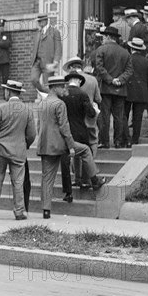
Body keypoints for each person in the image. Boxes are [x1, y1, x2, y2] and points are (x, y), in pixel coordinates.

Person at [37, 76, 105, 219]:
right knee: (86, 150)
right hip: (60, 144)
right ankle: (94, 179)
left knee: (47, 178)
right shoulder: (59, 104)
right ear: (55, 88)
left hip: (45, 145)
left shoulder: (42, 103)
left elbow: (39, 127)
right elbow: (64, 127)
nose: (64, 89)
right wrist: (71, 146)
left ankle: (46, 210)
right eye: (62, 87)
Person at [0, 80, 35, 220]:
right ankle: (19, 211)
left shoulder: (1, 108)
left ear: (8, 91)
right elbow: (32, 134)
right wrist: (25, 145)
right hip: (18, 151)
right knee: (18, 182)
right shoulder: (27, 110)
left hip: (0, 149)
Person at [63, 56, 101, 187]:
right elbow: (95, 104)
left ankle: (77, 178)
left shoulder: (64, 93)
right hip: (84, 125)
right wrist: (94, 110)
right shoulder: (89, 84)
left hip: (69, 127)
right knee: (88, 150)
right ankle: (88, 178)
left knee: (76, 154)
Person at [58, 72, 96, 203]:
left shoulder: (63, 95)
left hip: (67, 131)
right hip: (80, 129)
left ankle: (73, 183)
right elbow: (90, 114)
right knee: (86, 152)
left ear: (69, 81)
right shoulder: (82, 95)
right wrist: (94, 108)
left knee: (68, 159)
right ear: (79, 81)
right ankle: (86, 180)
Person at [95, 26, 133, 148]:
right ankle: (118, 141)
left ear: (108, 37)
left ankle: (104, 141)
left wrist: (110, 80)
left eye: (104, 37)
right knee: (119, 117)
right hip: (120, 89)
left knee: (104, 117)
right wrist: (119, 80)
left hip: (105, 89)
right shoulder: (125, 52)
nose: (102, 39)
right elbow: (129, 70)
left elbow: (99, 68)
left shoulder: (101, 50)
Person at [122, 38, 148, 146]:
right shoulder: (147, 61)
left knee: (124, 115)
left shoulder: (127, 59)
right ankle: (135, 140)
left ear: (131, 48)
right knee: (137, 118)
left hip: (127, 91)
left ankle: (127, 138)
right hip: (142, 92)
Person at [31, 13, 62, 94]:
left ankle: (49, 98)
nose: (38, 23)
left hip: (48, 62)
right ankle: (44, 93)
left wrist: (56, 61)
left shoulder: (55, 32)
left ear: (45, 21)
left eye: (40, 21)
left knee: (47, 84)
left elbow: (58, 47)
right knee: (33, 79)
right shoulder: (38, 32)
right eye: (38, 21)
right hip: (37, 62)